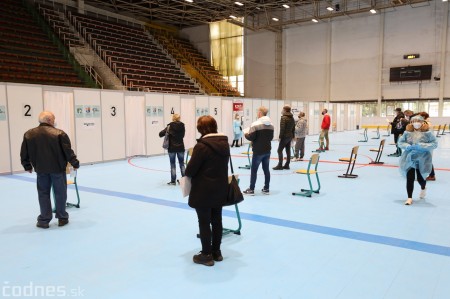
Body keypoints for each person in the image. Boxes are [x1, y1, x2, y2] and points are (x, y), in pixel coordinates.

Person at [20, 111, 79, 229]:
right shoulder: (59, 134)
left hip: (41, 170)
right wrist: (74, 162)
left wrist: (27, 165)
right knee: (60, 193)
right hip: (57, 169)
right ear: (49, 120)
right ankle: (62, 218)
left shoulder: (29, 134)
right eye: (53, 119)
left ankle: (44, 220)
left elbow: (24, 152)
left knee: (43, 194)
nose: (54, 121)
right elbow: (68, 151)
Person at [185, 115, 230, 266]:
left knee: (204, 222)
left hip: (203, 190)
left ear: (201, 129)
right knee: (217, 220)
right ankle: (217, 252)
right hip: (220, 188)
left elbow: (190, 170)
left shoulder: (201, 146)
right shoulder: (225, 143)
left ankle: (206, 254)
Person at [397, 115, 437, 205]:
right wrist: (407, 146)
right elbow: (400, 142)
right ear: (411, 122)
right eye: (414, 121)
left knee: (420, 177)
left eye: (418, 121)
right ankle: (409, 197)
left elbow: (434, 144)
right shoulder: (407, 133)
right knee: (410, 177)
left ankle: (423, 188)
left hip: (423, 158)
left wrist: (422, 146)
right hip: (410, 157)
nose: (416, 123)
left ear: (423, 122)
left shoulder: (428, 133)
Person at [243, 106, 274, 195]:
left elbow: (251, 137)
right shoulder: (271, 125)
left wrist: (245, 133)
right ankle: (266, 188)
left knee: (254, 170)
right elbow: (271, 137)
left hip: (258, 151)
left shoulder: (255, 124)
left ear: (260, 113)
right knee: (266, 169)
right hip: (267, 150)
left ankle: (251, 189)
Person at [159, 114, 186, 185]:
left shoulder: (169, 126)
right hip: (180, 147)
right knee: (182, 164)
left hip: (172, 148)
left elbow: (160, 134)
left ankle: (173, 181)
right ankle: (184, 180)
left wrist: (167, 133)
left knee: (173, 164)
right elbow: (183, 135)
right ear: (179, 118)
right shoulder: (182, 125)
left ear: (173, 118)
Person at [273, 105, 295, 170]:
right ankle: (287, 164)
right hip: (290, 136)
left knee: (279, 150)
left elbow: (282, 128)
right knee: (288, 150)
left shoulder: (283, 118)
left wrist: (280, 137)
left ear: (285, 110)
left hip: (285, 136)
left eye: (282, 109)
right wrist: (293, 136)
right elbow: (293, 128)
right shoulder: (292, 118)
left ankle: (280, 165)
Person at [419, 111, 436, 181]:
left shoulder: (426, 123)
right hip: (428, 143)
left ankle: (432, 175)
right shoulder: (428, 123)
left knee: (426, 159)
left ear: (423, 117)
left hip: (426, 143)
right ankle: (430, 175)